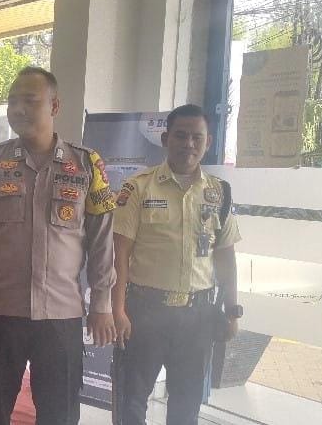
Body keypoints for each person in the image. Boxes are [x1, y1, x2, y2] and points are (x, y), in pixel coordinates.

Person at [0, 66, 117, 425]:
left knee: (59, 414)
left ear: (54, 106)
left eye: (29, 101)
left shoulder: (87, 165)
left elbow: (102, 241)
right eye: (12, 102)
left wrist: (102, 303)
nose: (18, 109)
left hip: (61, 315)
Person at [111, 104, 243, 425]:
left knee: (186, 407)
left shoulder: (219, 193)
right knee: (131, 403)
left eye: (197, 138)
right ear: (166, 139)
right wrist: (117, 310)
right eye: (181, 136)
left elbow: (225, 256)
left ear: (208, 142)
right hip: (144, 313)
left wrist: (231, 309)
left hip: (198, 317)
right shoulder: (138, 187)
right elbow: (119, 255)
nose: (189, 144)